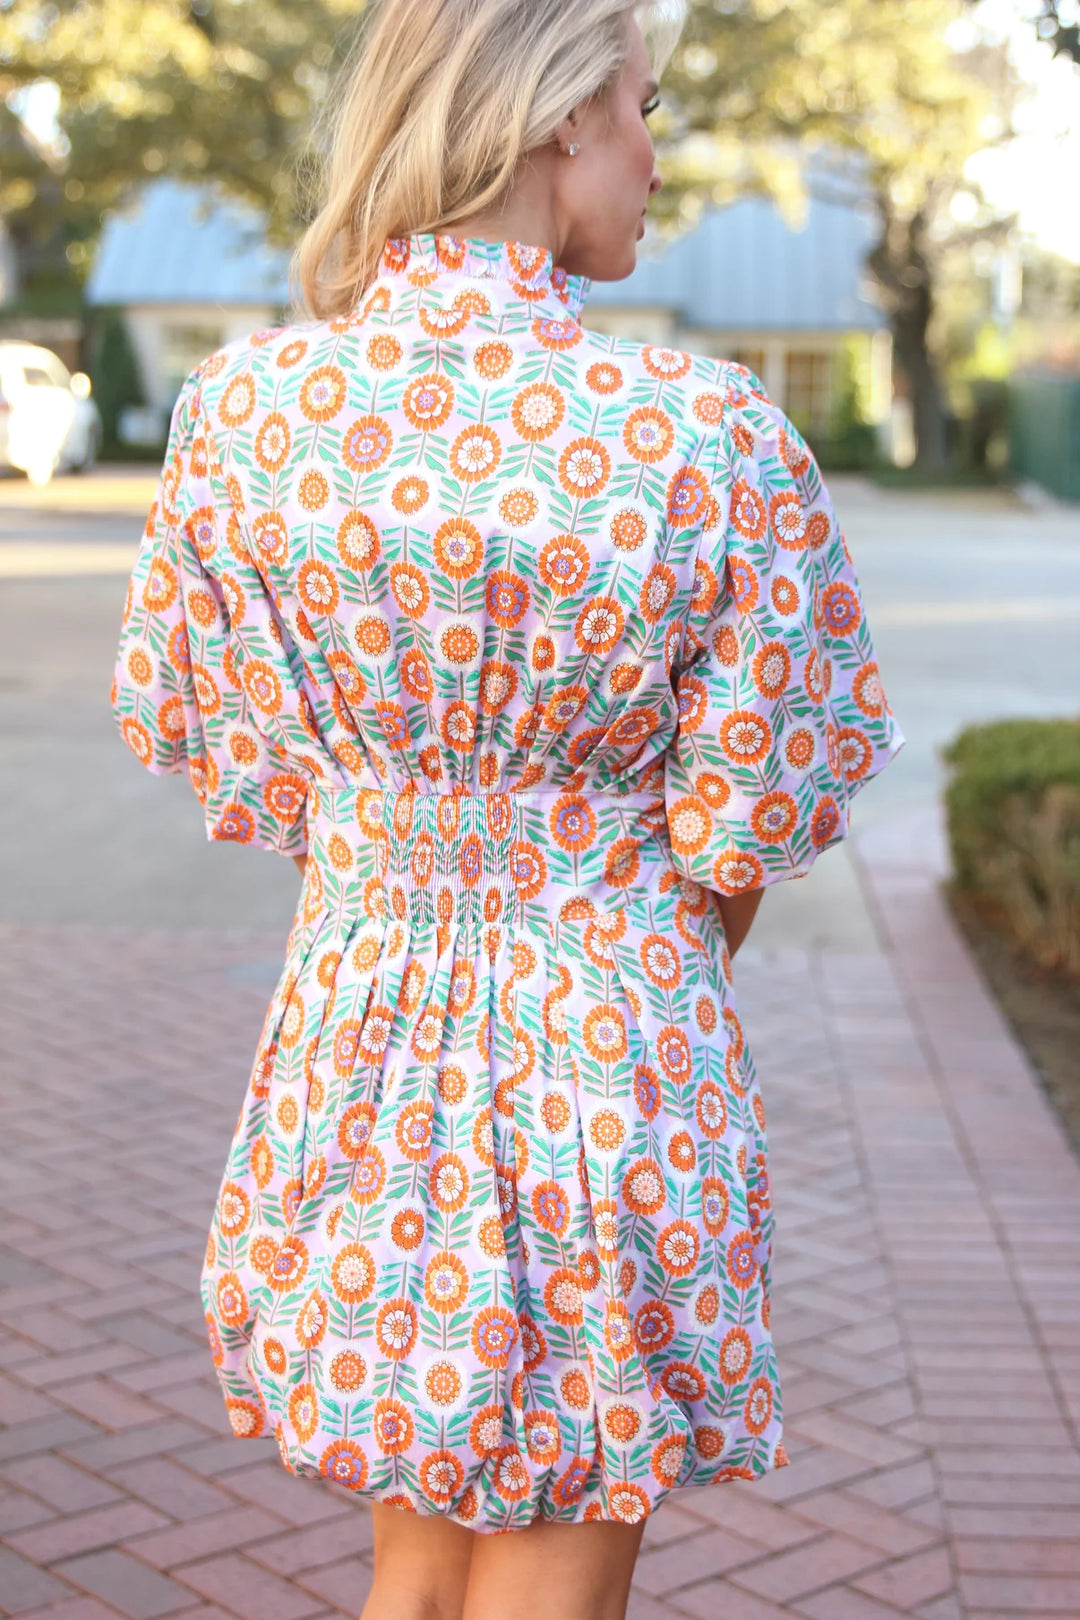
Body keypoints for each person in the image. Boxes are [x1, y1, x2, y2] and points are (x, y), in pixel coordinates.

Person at [111, 1, 903, 1615]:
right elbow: (747, 825)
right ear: (558, 120)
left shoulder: (241, 422)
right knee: (552, 1576)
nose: (656, 156)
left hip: (354, 1041)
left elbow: (253, 774)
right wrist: (599, 945)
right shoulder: (710, 438)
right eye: (645, 107)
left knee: (413, 1573)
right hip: (609, 1044)